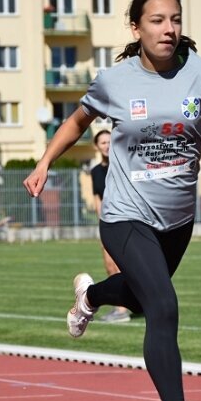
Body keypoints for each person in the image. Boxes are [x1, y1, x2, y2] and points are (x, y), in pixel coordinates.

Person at [23, 0, 201, 401]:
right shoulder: (116, 81)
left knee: (136, 296)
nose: (169, 29)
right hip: (125, 215)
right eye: (157, 20)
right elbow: (77, 121)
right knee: (163, 306)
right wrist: (46, 160)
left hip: (178, 221)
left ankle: (90, 296)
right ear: (136, 27)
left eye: (175, 19)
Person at [90, 129, 131, 323]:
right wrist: (101, 225)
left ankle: (122, 309)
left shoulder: (121, 166)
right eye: (103, 142)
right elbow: (97, 198)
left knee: (123, 265)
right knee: (109, 265)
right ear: (97, 146)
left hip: (124, 220)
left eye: (109, 142)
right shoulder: (95, 171)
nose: (106, 145)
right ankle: (123, 305)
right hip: (106, 224)